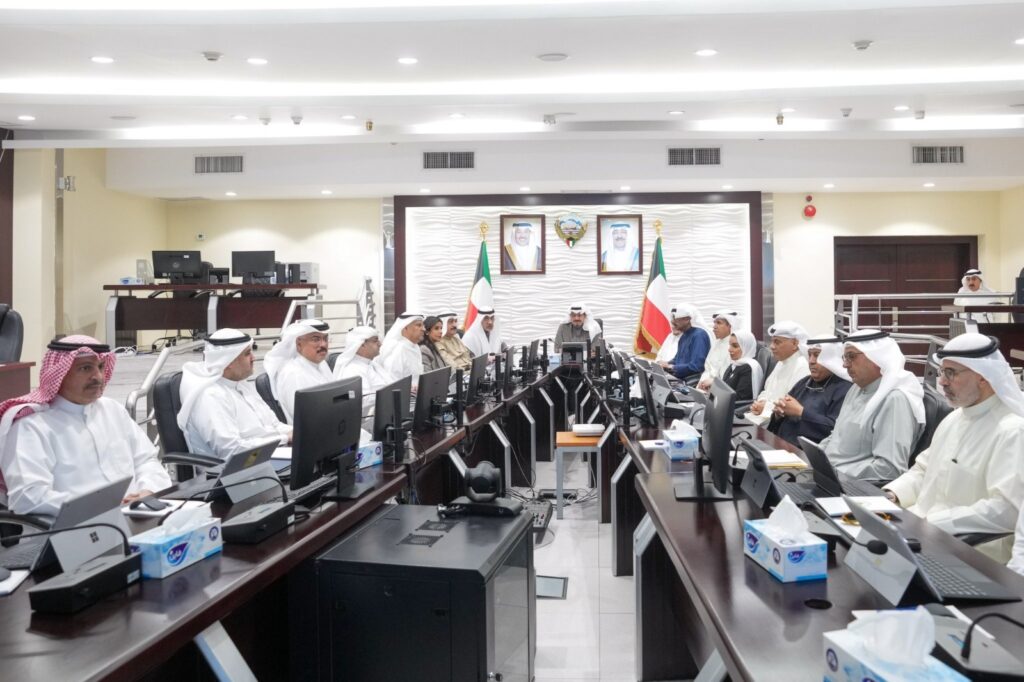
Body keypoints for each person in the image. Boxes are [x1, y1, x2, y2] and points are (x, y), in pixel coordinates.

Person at [885, 333, 1024, 563]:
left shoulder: (1012, 430)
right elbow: (923, 470)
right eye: (942, 372)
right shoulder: (954, 418)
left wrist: (934, 523)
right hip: (920, 533)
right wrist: (892, 495)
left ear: (983, 377)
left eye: (951, 373)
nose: (942, 382)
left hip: (969, 553)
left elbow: (1007, 511)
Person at [0, 336, 172, 516]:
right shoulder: (32, 426)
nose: (98, 377)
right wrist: (100, 505)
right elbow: (28, 497)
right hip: (74, 527)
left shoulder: (112, 410)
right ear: (59, 374)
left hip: (138, 515)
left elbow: (146, 460)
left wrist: (148, 491)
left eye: (101, 367)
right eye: (85, 368)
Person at [817, 329, 925, 481]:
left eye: (851, 357)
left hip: (852, 486)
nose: (845, 365)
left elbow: (889, 469)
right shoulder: (856, 388)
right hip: (829, 477)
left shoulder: (894, 400)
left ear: (877, 358)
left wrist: (837, 473)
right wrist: (814, 457)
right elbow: (836, 436)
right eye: (845, 357)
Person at [178, 328, 292, 458]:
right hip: (240, 466)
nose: (253, 358)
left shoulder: (242, 385)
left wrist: (298, 433)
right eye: (247, 354)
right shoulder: (210, 396)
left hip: (267, 454)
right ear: (228, 361)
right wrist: (284, 438)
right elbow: (232, 450)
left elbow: (274, 425)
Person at [768, 334, 853, 446]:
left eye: (817, 355)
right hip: (781, 444)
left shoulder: (844, 388)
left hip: (807, 451)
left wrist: (801, 412)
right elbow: (781, 414)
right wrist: (779, 414)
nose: (811, 361)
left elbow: (835, 430)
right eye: (810, 355)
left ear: (831, 359)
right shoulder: (804, 382)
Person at [263, 319, 333, 423]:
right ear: (299, 344)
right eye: (316, 339)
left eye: (325, 338)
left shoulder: (322, 365)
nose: (323, 344)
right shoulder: (293, 374)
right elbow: (306, 417)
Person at [745, 321, 810, 424]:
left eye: (777, 342)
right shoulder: (781, 362)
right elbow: (767, 391)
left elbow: (790, 404)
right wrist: (760, 402)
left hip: (779, 423)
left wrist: (765, 408)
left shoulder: (802, 365)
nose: (772, 346)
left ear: (794, 344)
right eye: (772, 342)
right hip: (763, 417)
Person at [334, 325, 396, 417]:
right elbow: (363, 401)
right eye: (375, 341)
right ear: (362, 344)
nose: (380, 344)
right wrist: (390, 394)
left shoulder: (371, 364)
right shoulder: (353, 369)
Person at [656, 304, 710, 380]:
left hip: (692, 382)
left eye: (675, 318)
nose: (672, 321)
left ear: (687, 319)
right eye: (672, 318)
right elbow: (677, 360)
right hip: (680, 378)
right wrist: (666, 363)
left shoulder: (699, 335)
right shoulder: (684, 336)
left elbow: (696, 366)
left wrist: (672, 367)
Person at [697, 310, 741, 390]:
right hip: (705, 386)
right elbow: (708, 368)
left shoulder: (736, 347)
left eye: (719, 323)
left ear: (730, 326)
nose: (714, 327)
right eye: (714, 323)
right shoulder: (716, 343)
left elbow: (728, 377)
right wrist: (702, 383)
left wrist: (712, 383)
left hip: (721, 389)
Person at [377, 312, 426, 380]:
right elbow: (392, 381)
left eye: (423, 326)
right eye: (418, 325)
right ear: (405, 328)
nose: (423, 329)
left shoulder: (415, 347)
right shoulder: (397, 349)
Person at [722, 330, 763, 402]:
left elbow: (740, 398)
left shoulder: (749, 368)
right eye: (730, 345)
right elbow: (723, 385)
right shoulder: (735, 364)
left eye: (735, 346)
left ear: (746, 347)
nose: (729, 349)